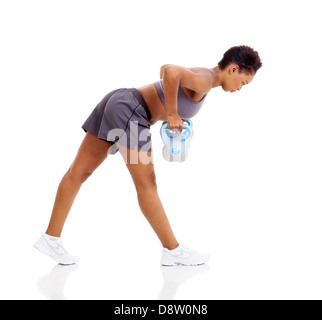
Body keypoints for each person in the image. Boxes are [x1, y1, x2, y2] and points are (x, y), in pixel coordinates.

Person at [34, 45, 262, 266]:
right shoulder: (204, 79)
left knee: (79, 172)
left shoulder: (202, 76)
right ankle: (173, 251)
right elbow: (170, 71)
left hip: (120, 102)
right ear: (233, 69)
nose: (239, 88)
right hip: (131, 113)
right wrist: (172, 113)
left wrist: (172, 112)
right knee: (147, 184)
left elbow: (165, 69)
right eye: (243, 82)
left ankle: (50, 238)